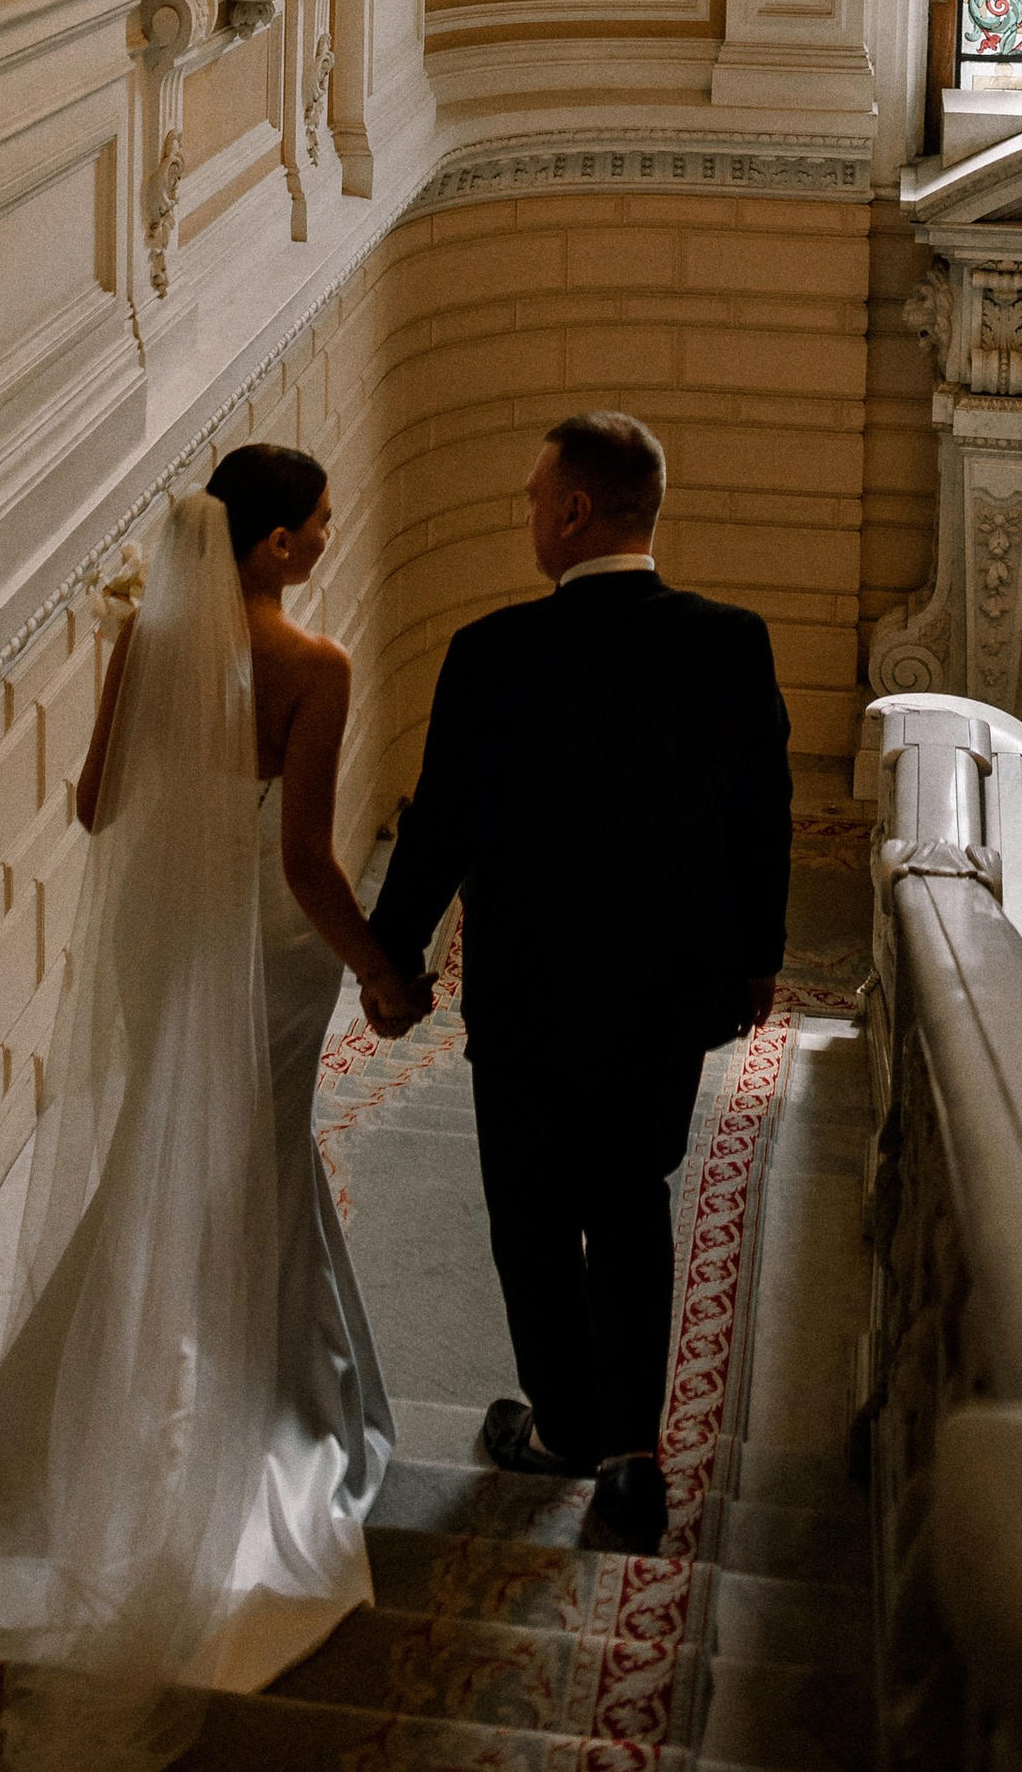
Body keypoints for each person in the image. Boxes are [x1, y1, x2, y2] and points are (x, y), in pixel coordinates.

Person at [0, 447, 414, 1760]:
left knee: (175, 1164)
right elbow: (308, 857)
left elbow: (100, 803)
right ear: (270, 542)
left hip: (174, 948)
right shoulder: (316, 668)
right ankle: (276, 1418)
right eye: (318, 522)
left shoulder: (150, 640)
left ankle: (148, 1406)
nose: (329, 537)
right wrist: (380, 964)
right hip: (267, 951)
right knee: (252, 1168)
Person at [367, 410, 794, 1557]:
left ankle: (565, 1425)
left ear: (572, 511)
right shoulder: (730, 639)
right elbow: (763, 814)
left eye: (530, 498)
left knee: (532, 1218)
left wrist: (389, 957)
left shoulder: (494, 650)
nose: (526, 516)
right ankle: (633, 1454)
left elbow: (441, 826)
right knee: (633, 1200)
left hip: (531, 993)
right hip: (668, 991)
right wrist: (759, 955)